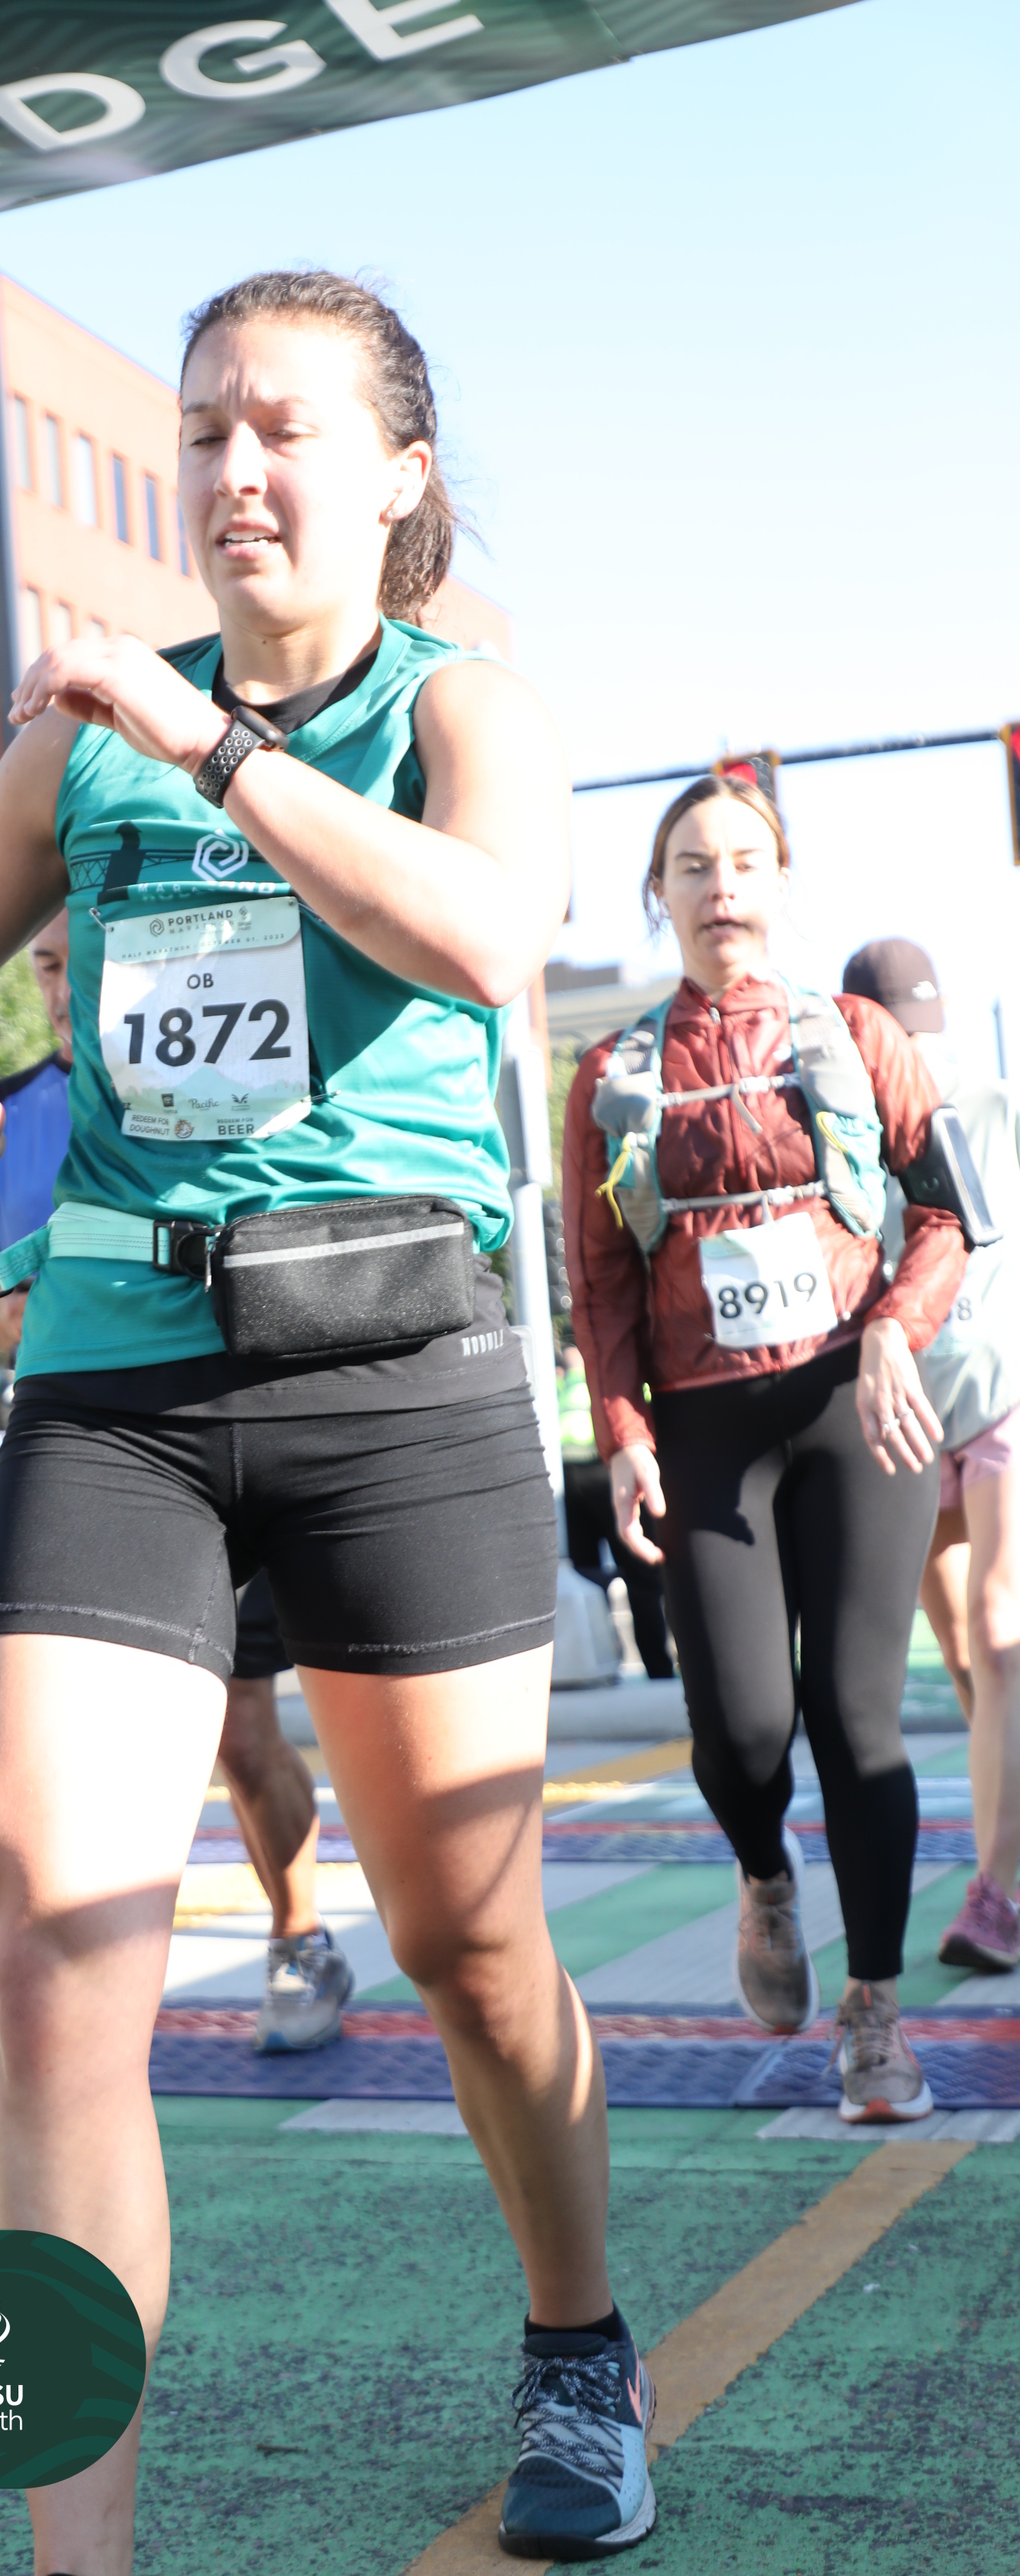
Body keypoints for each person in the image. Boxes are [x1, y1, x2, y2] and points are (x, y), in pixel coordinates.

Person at [0, 269, 651, 2568]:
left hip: (391, 1367)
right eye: (203, 429)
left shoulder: (457, 705)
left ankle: (576, 2335)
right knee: (49, 1930)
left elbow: (485, 936)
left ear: (397, 475)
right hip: (116, 1372)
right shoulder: (80, 737)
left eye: (285, 427)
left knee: (468, 1949)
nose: (233, 469)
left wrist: (209, 747)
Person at [564, 774, 967, 2126]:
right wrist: (624, 1432)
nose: (721, 885)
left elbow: (946, 1215)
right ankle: (763, 1873)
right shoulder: (613, 1076)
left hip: (858, 1402)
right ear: (658, 894)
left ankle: (875, 2017)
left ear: (782, 884)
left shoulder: (858, 1036)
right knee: (743, 1729)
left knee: (858, 1719)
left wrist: (900, 1325)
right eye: (693, 864)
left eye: (745, 861)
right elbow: (600, 1284)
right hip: (705, 1418)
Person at [0, 905, 352, 2049]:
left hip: (239, 1424)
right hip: (86, 1439)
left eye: (80, 960)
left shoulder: (208, 1080)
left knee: (244, 1738)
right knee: (72, 1764)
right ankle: (100, 2000)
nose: (59, 984)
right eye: (44, 965)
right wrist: (24, 1312)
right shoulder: (0, 1114)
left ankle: (300, 1932)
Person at [844, 938, 1020, 1972]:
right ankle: (1009, 1845)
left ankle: (998, 1891)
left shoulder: (992, 1105)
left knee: (1001, 1636)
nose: (914, 1059)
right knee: (960, 1652)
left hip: (1002, 1391)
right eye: (891, 1040)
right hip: (905, 1409)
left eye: (923, 1036)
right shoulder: (834, 1129)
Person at [558, 1338, 673, 1681]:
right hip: (611, 1470)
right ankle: (658, 1669)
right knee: (641, 1579)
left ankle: (606, 1665)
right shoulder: (622, 1375)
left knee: (589, 1577)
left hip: (572, 1480)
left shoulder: (567, 1382)